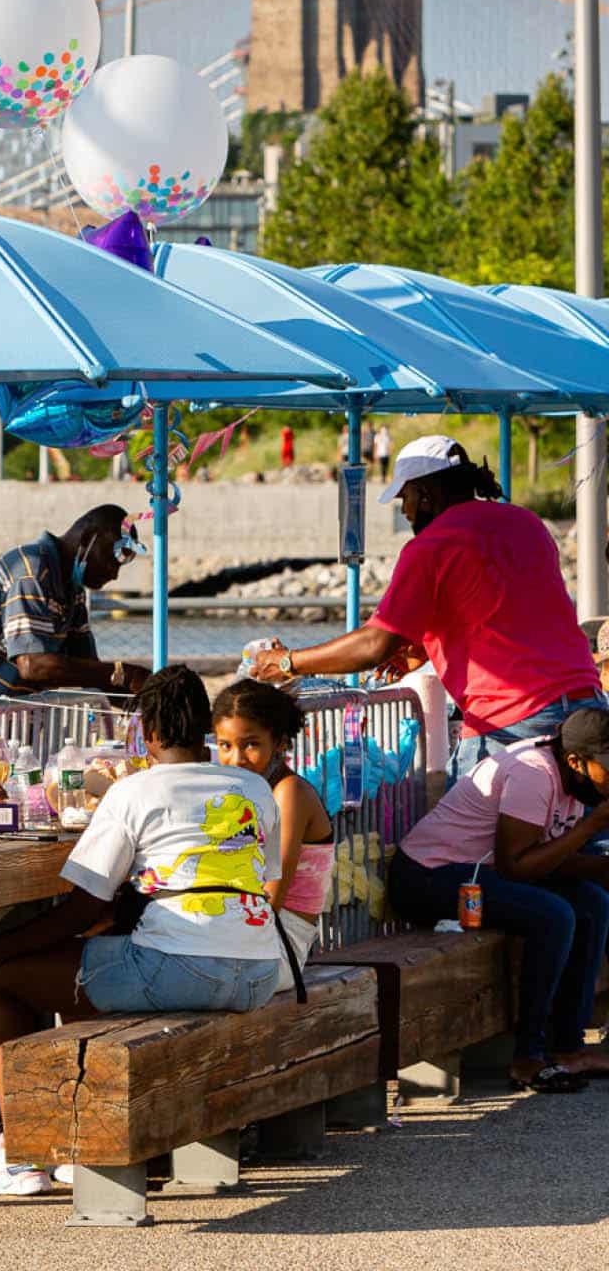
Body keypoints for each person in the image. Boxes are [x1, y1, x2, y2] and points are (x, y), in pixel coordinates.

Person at [0, 665, 281, 1197]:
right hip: (257, 972)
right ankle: (82, 1132)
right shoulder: (253, 787)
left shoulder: (134, 791)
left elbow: (85, 905)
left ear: (149, 735)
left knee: (11, 978)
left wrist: (2, 948)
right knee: (90, 966)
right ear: (204, 728)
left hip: (179, 966)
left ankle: (21, 1151)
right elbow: (260, 877)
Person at [251, 437, 605, 778]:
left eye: (405, 497)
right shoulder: (526, 523)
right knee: (584, 833)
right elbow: (505, 607)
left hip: (514, 719)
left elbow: (375, 645)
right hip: (587, 702)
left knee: (458, 837)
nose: (404, 510)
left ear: (426, 493)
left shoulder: (431, 545)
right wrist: (423, 646)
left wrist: (288, 662)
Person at [388, 707, 609, 1093]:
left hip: (478, 873)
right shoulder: (534, 773)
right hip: (428, 876)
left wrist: (600, 867)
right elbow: (515, 867)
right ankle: (527, 1056)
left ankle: (569, 1048)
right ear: (576, 760)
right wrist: (591, 827)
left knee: (593, 903)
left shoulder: (576, 777)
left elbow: (548, 858)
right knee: (554, 915)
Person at [0, 505, 150, 708]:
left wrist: (150, 701)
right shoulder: (30, 568)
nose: (114, 573)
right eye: (113, 558)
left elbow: (90, 669)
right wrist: (124, 673)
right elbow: (33, 665)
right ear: (87, 539)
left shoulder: (73, 593)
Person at [213, 678, 333, 991]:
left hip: (277, 947)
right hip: (249, 934)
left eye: (250, 744)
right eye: (225, 746)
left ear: (278, 742)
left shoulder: (289, 793)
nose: (236, 759)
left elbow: (270, 900)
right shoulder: (248, 789)